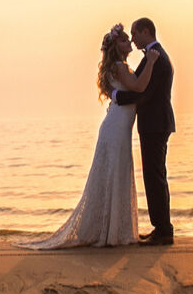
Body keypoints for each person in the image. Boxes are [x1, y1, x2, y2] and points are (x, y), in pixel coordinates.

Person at [17, 23, 161, 249]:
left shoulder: (120, 65)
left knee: (115, 173)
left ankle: (110, 229)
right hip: (116, 128)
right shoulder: (119, 67)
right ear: (117, 46)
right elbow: (139, 86)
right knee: (114, 173)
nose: (130, 41)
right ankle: (110, 232)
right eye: (125, 39)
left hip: (118, 127)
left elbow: (126, 91)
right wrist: (151, 62)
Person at [110, 17, 175, 245]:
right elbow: (140, 84)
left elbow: (143, 93)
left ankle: (164, 230)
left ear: (146, 31)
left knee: (154, 176)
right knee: (155, 175)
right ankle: (161, 227)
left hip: (155, 124)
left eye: (135, 34)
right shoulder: (153, 55)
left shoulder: (156, 57)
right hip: (155, 124)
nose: (133, 39)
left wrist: (118, 97)